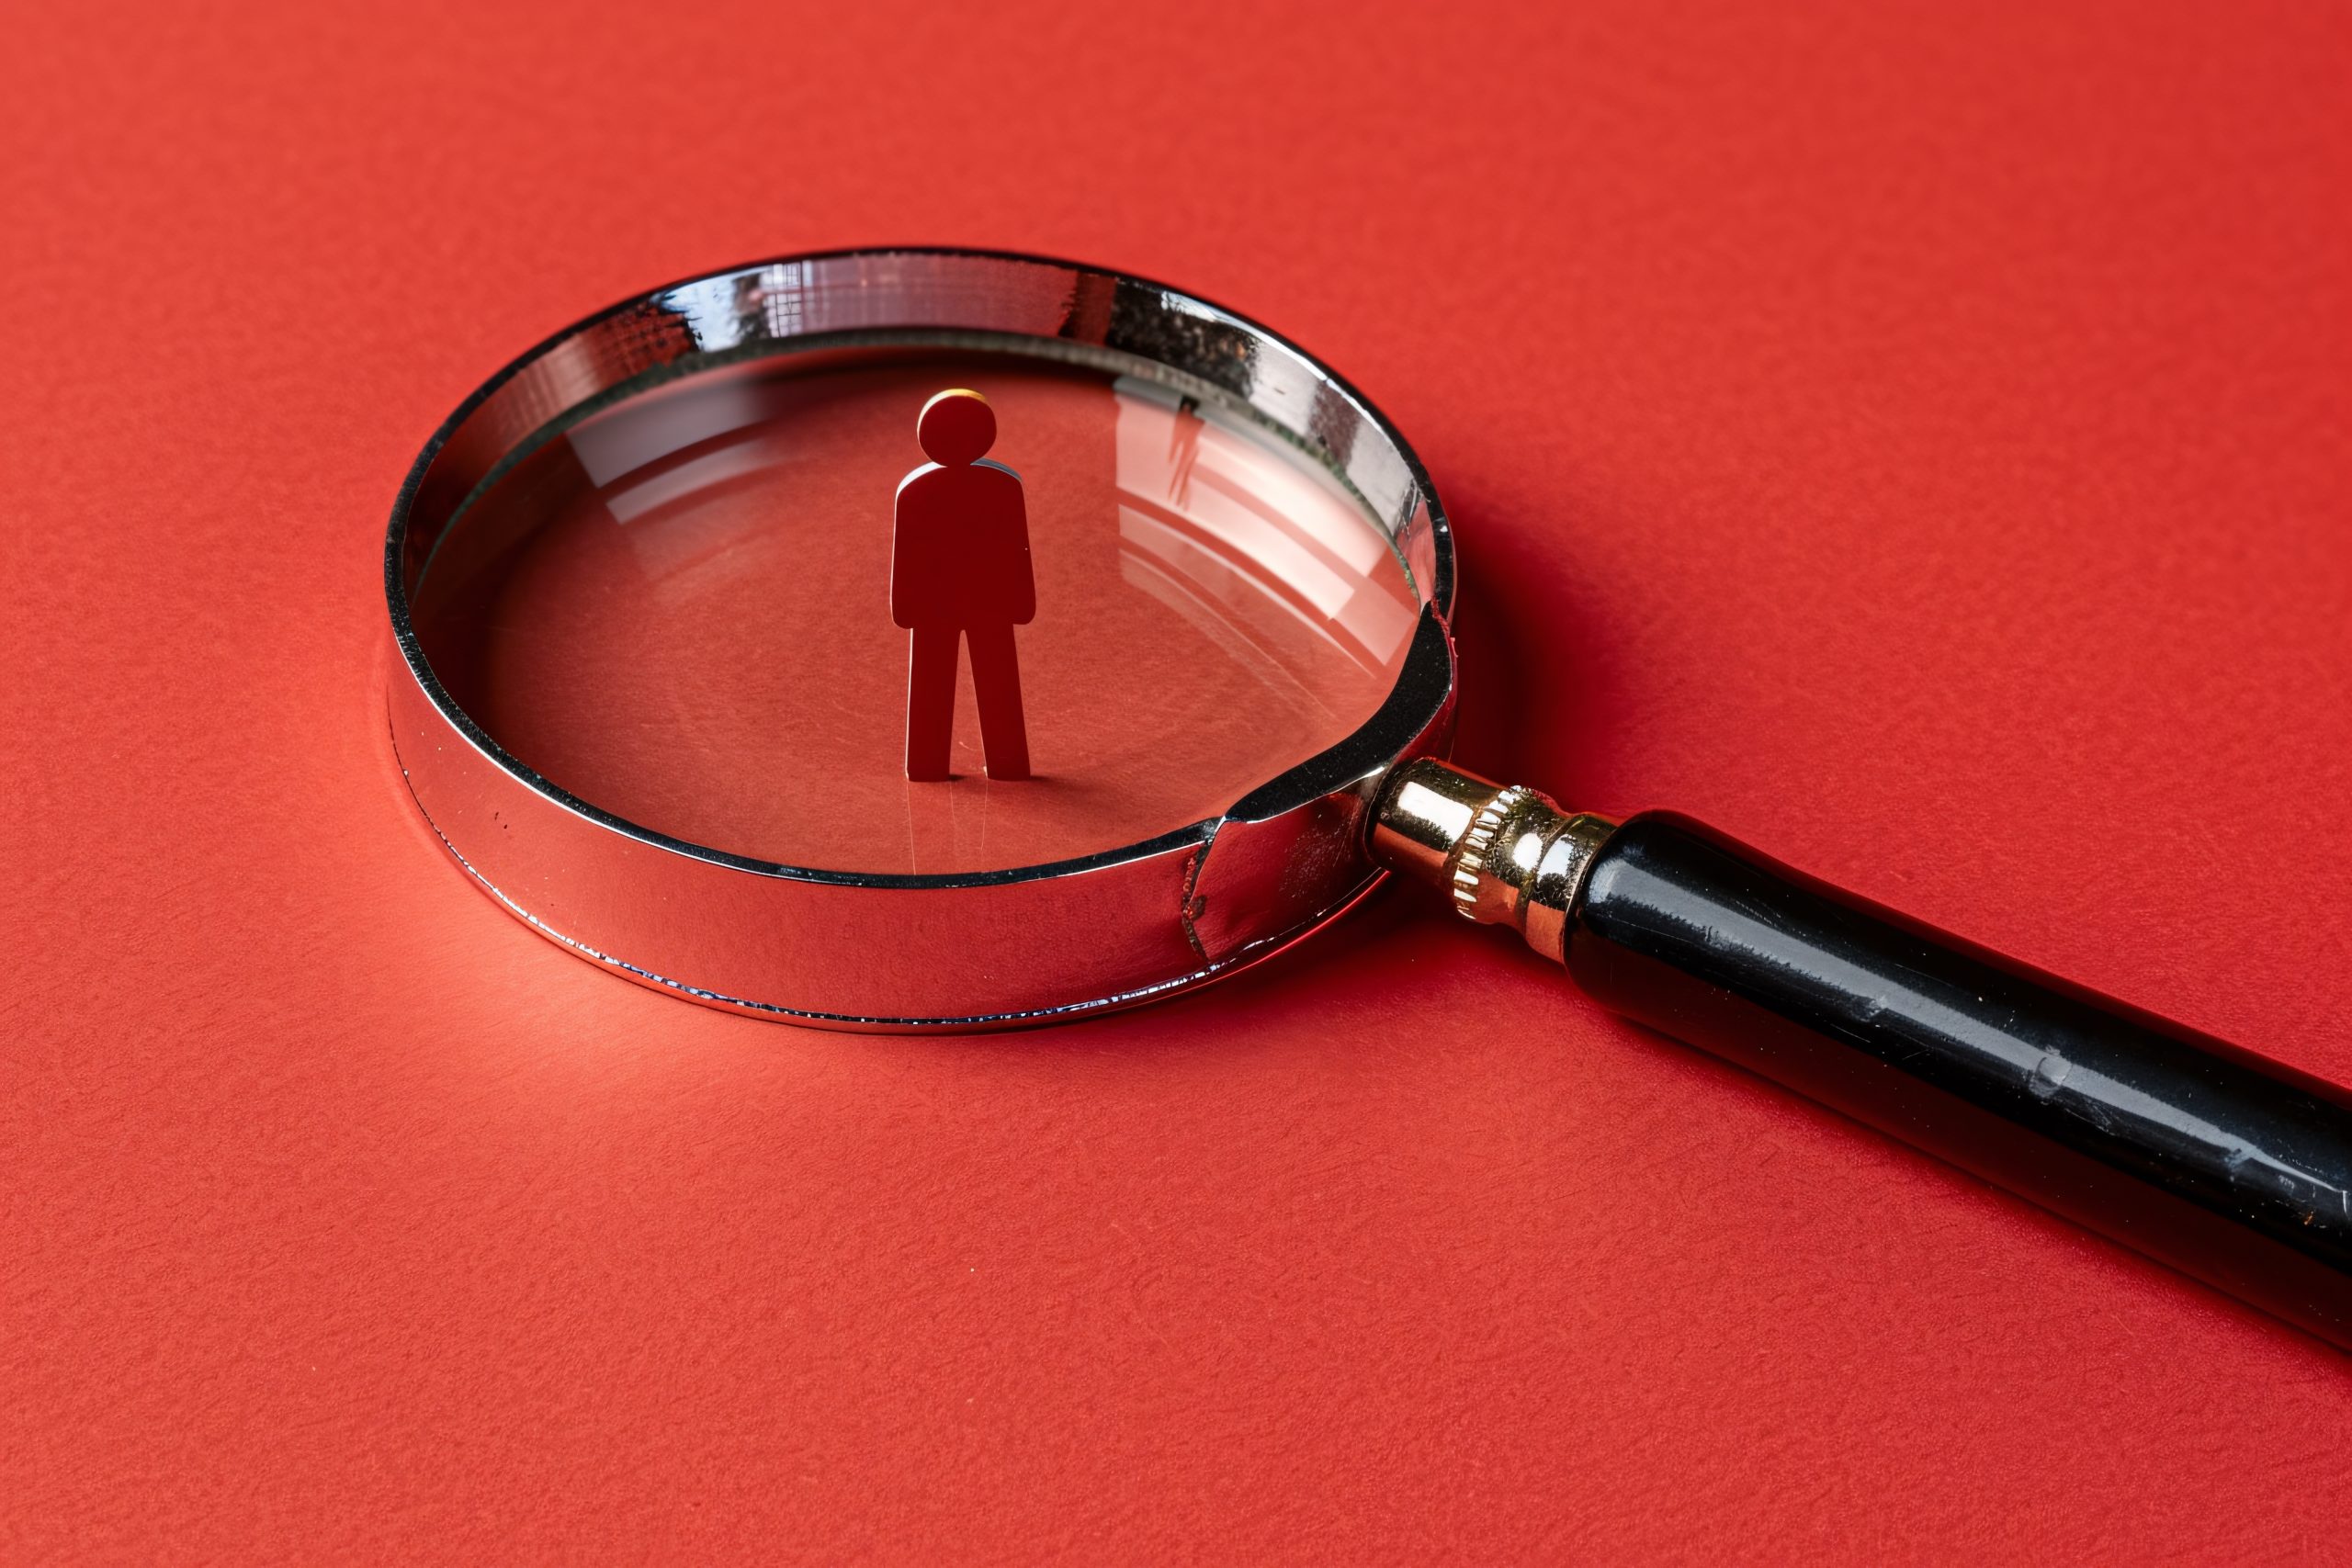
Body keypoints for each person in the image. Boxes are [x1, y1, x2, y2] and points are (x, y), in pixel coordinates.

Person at [891, 389, 1035, 781]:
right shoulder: (1002, 487)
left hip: (938, 608)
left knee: (934, 688)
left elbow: (906, 555)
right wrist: (1023, 603)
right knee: (995, 684)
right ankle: (1006, 764)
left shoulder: (916, 491)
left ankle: (928, 764)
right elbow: (1016, 549)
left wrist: (902, 608)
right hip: (989, 606)